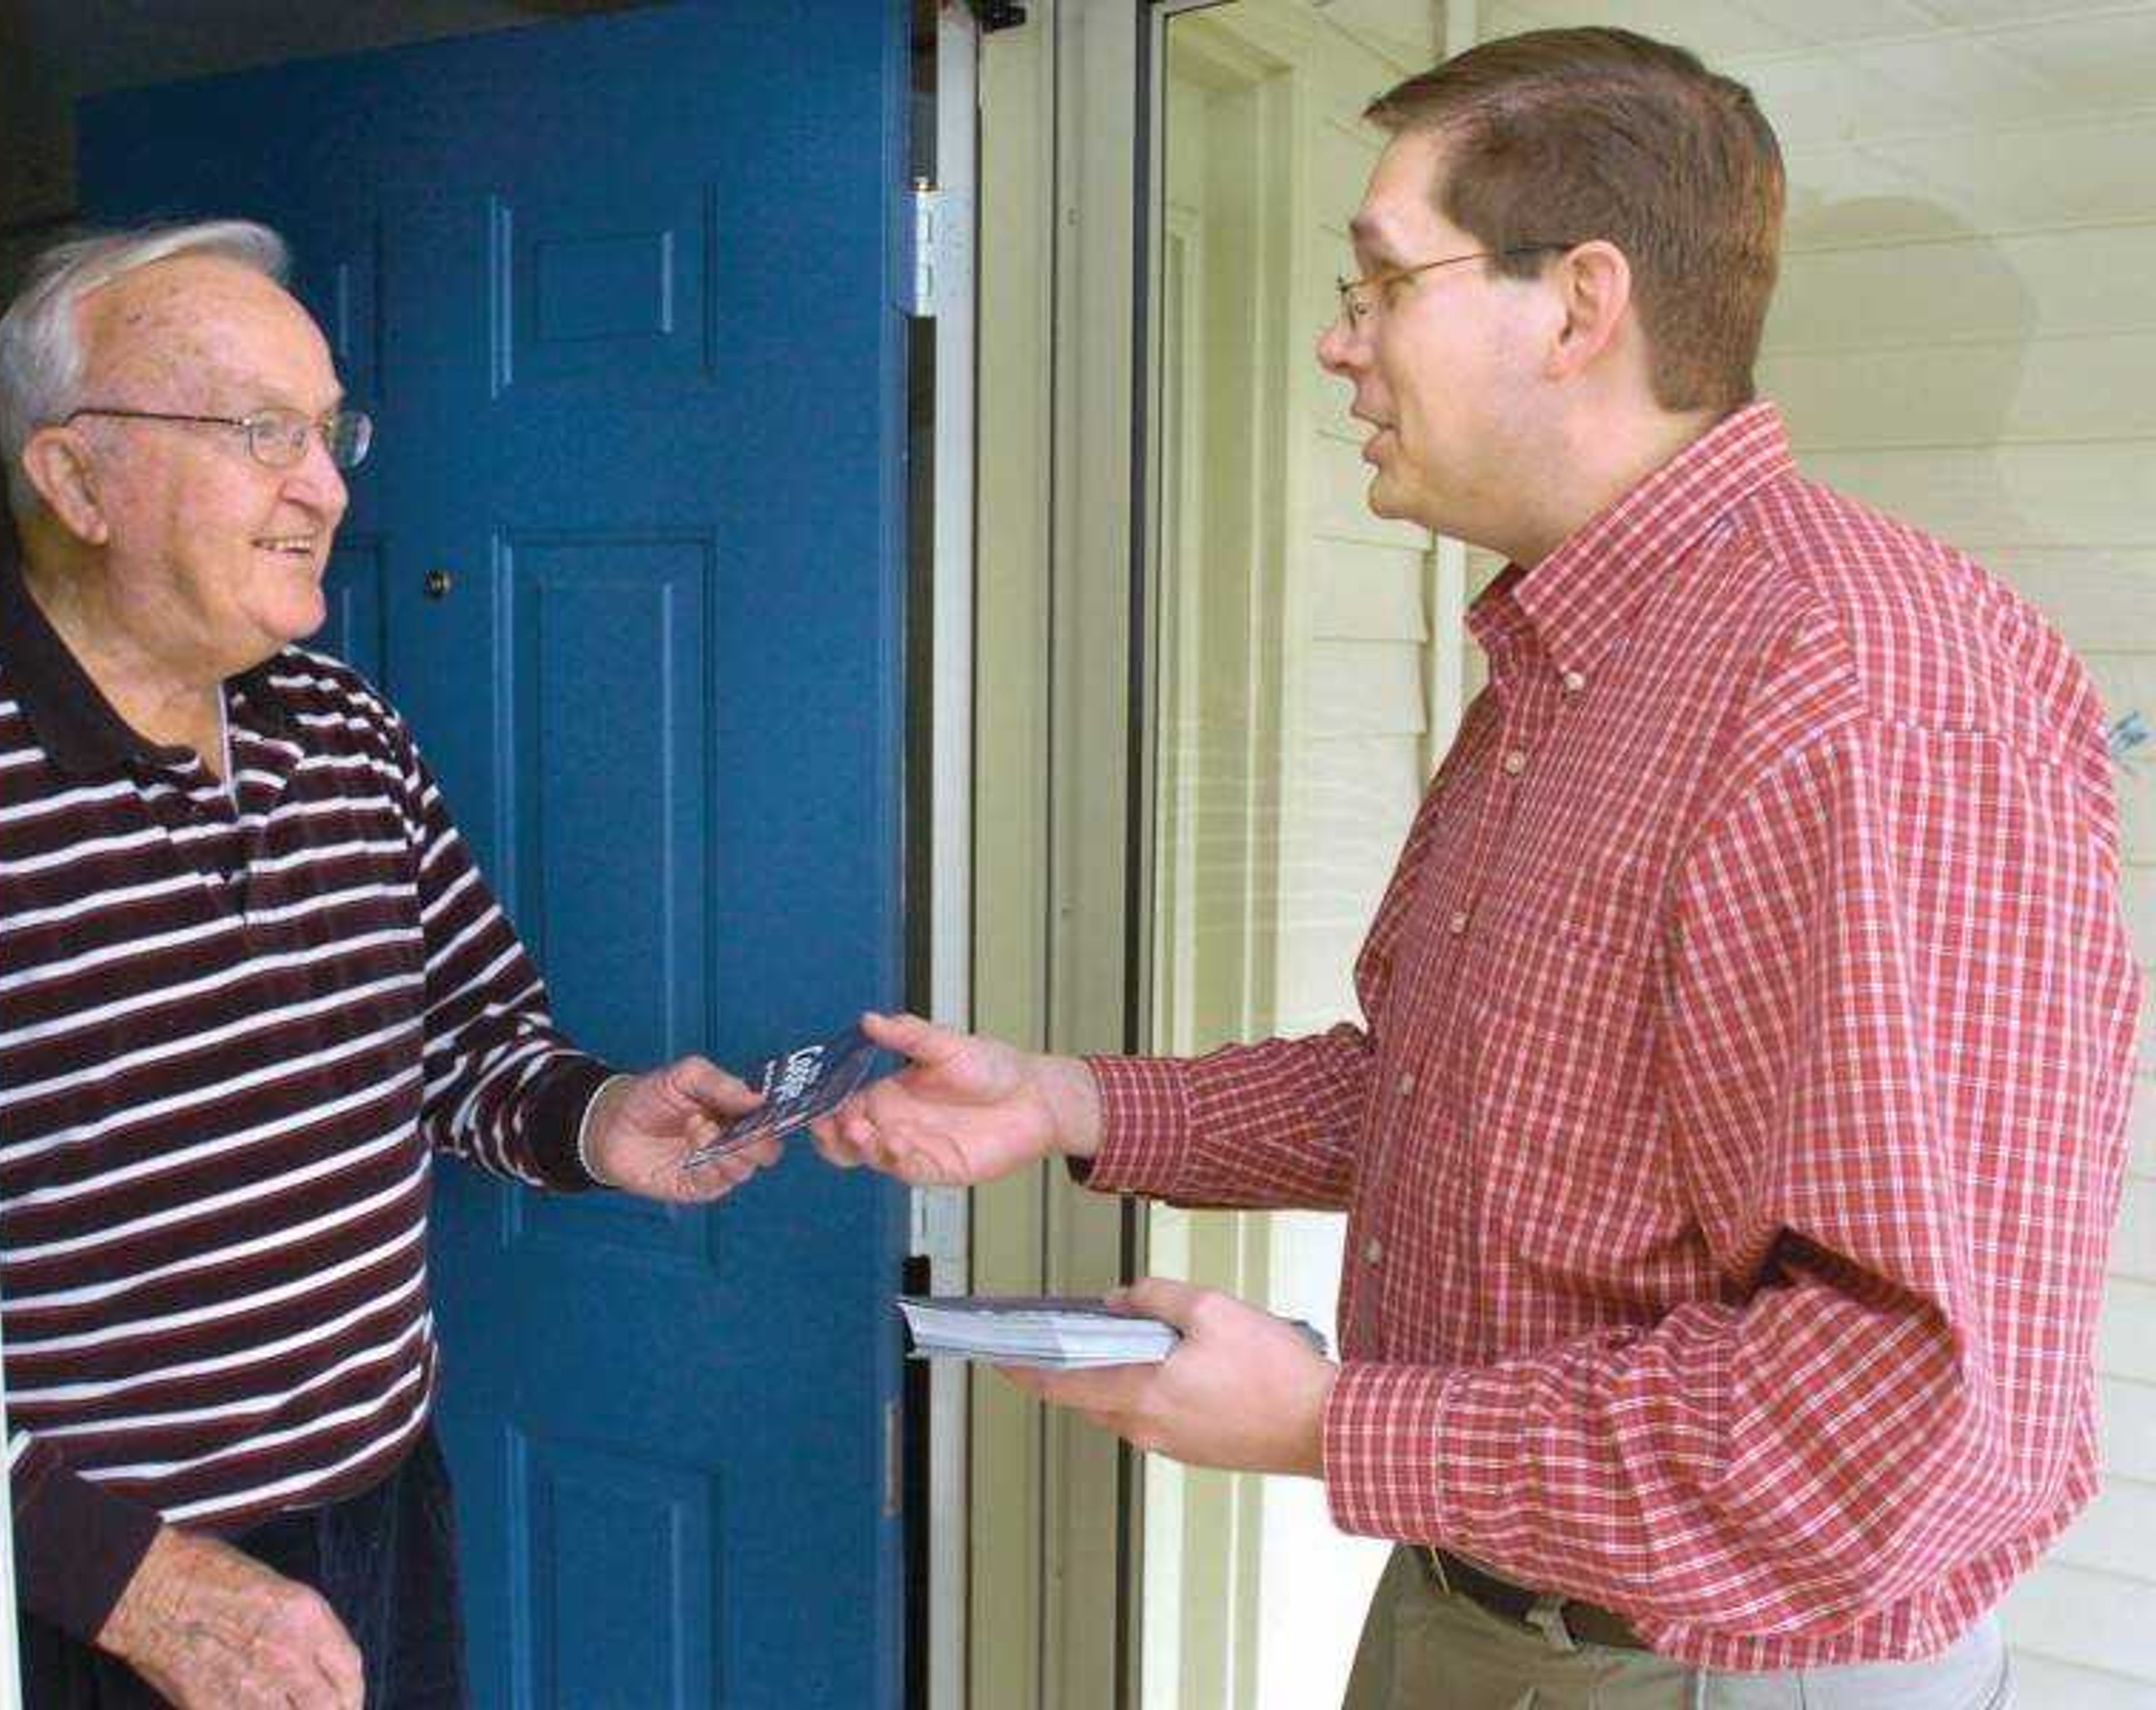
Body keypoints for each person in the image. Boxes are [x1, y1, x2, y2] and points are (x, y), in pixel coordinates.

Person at [816, 27, 2141, 1709]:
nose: (1337, 341)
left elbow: (1877, 1427)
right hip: (1481, 1610)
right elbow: (1452, 1103)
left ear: (1580, 306)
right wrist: (1065, 1100)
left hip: (1714, 1670)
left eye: (1380, 284)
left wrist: (1325, 1423)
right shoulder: (1576, 654)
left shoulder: (1864, 688)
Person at [0, 220, 777, 1710]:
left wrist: (601, 1122)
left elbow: (466, 1039)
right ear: (75, 478)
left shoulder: (338, 724)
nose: (329, 487)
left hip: (379, 1507)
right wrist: (123, 1580)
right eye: (259, 430)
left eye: (331, 429)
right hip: (84, 1588)